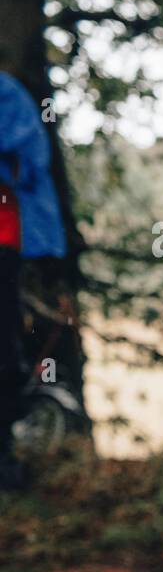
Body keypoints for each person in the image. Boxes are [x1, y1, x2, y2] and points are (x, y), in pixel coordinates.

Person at [0, 73, 67, 492]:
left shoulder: (7, 96)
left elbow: (30, 165)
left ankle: (4, 458)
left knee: (5, 349)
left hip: (4, 240)